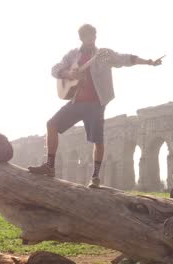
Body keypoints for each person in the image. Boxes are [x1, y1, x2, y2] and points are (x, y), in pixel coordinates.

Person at [28, 24, 162, 187]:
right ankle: (49, 166)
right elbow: (55, 69)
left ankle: (95, 177)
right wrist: (68, 73)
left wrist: (148, 62)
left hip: (95, 104)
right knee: (51, 125)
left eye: (94, 36)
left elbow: (125, 59)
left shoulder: (103, 54)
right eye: (88, 36)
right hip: (76, 102)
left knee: (97, 139)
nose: (92, 39)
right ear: (81, 38)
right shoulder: (72, 55)